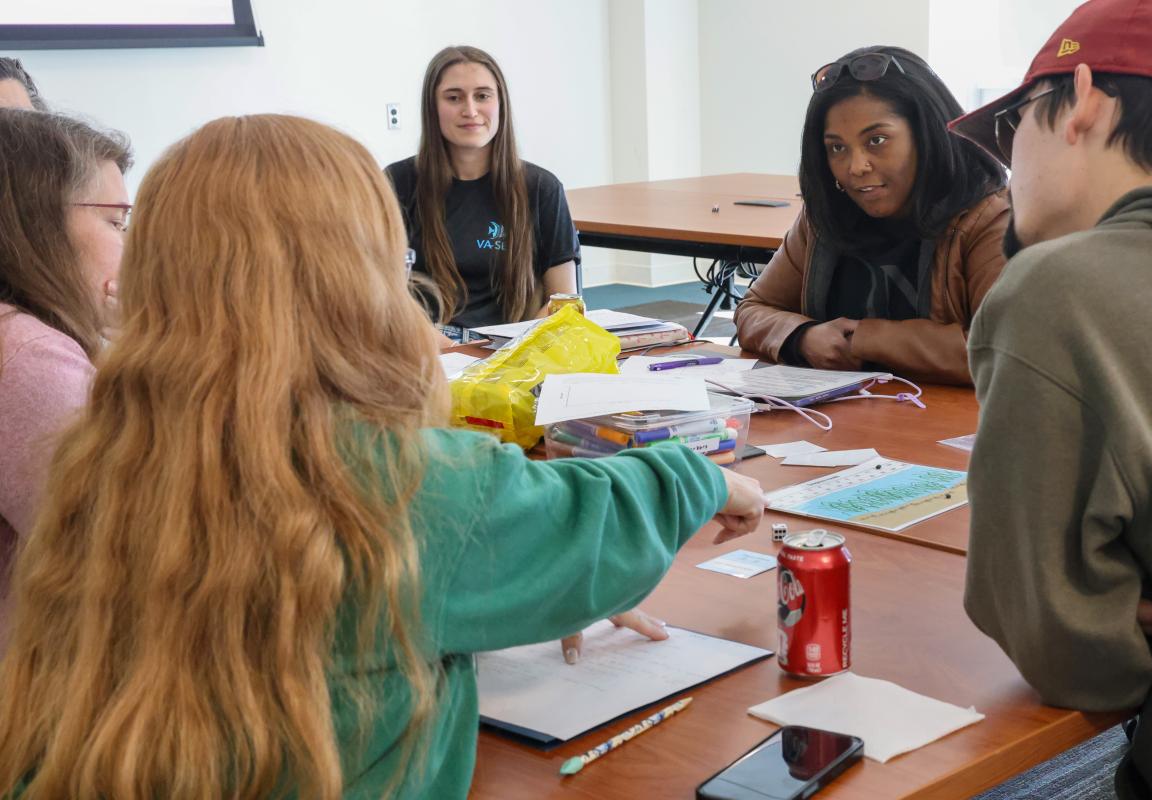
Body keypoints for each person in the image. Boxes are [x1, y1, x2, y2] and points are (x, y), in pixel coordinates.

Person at [0, 114, 766, 799]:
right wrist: (700, 475)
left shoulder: (95, 455)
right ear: (356, 272)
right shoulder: (395, 479)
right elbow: (587, 523)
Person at [949, 0, 1152, 797]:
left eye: (1012, 125)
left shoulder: (1058, 291)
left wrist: (1106, 621)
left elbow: (1074, 657)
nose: (1006, 164)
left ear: (1083, 99)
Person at [734, 46, 1010, 385]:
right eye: (837, 147)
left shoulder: (988, 218)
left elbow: (1003, 352)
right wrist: (802, 336)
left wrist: (866, 338)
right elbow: (754, 308)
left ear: (928, 135)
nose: (856, 167)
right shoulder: (824, 216)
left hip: (944, 427)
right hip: (837, 422)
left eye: (877, 140)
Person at [0, 109, 131, 639]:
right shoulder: (28, 356)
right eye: (116, 223)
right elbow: (118, 554)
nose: (133, 244)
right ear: (40, 220)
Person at [385, 45, 580, 340]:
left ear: (500, 103)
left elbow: (565, 303)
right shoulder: (397, 182)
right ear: (432, 107)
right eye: (454, 97)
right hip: (425, 346)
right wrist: (443, 349)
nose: (470, 110)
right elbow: (382, 292)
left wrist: (513, 352)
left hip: (514, 347)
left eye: (482, 96)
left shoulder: (541, 188)